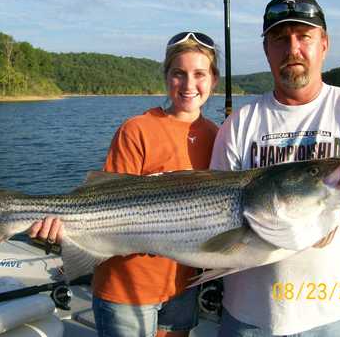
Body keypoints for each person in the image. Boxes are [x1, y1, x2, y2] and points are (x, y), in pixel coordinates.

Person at [211, 0, 340, 336]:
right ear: (266, 50)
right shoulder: (238, 124)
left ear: (324, 44)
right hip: (246, 319)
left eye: (304, 36)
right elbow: (216, 218)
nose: (292, 49)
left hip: (330, 317)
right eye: (280, 39)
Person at [29, 31, 220, 336]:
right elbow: (104, 202)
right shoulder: (137, 129)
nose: (188, 85)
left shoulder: (218, 135)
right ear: (166, 77)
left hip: (182, 286)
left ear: (214, 80)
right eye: (178, 74)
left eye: (199, 74)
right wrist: (60, 229)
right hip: (126, 287)